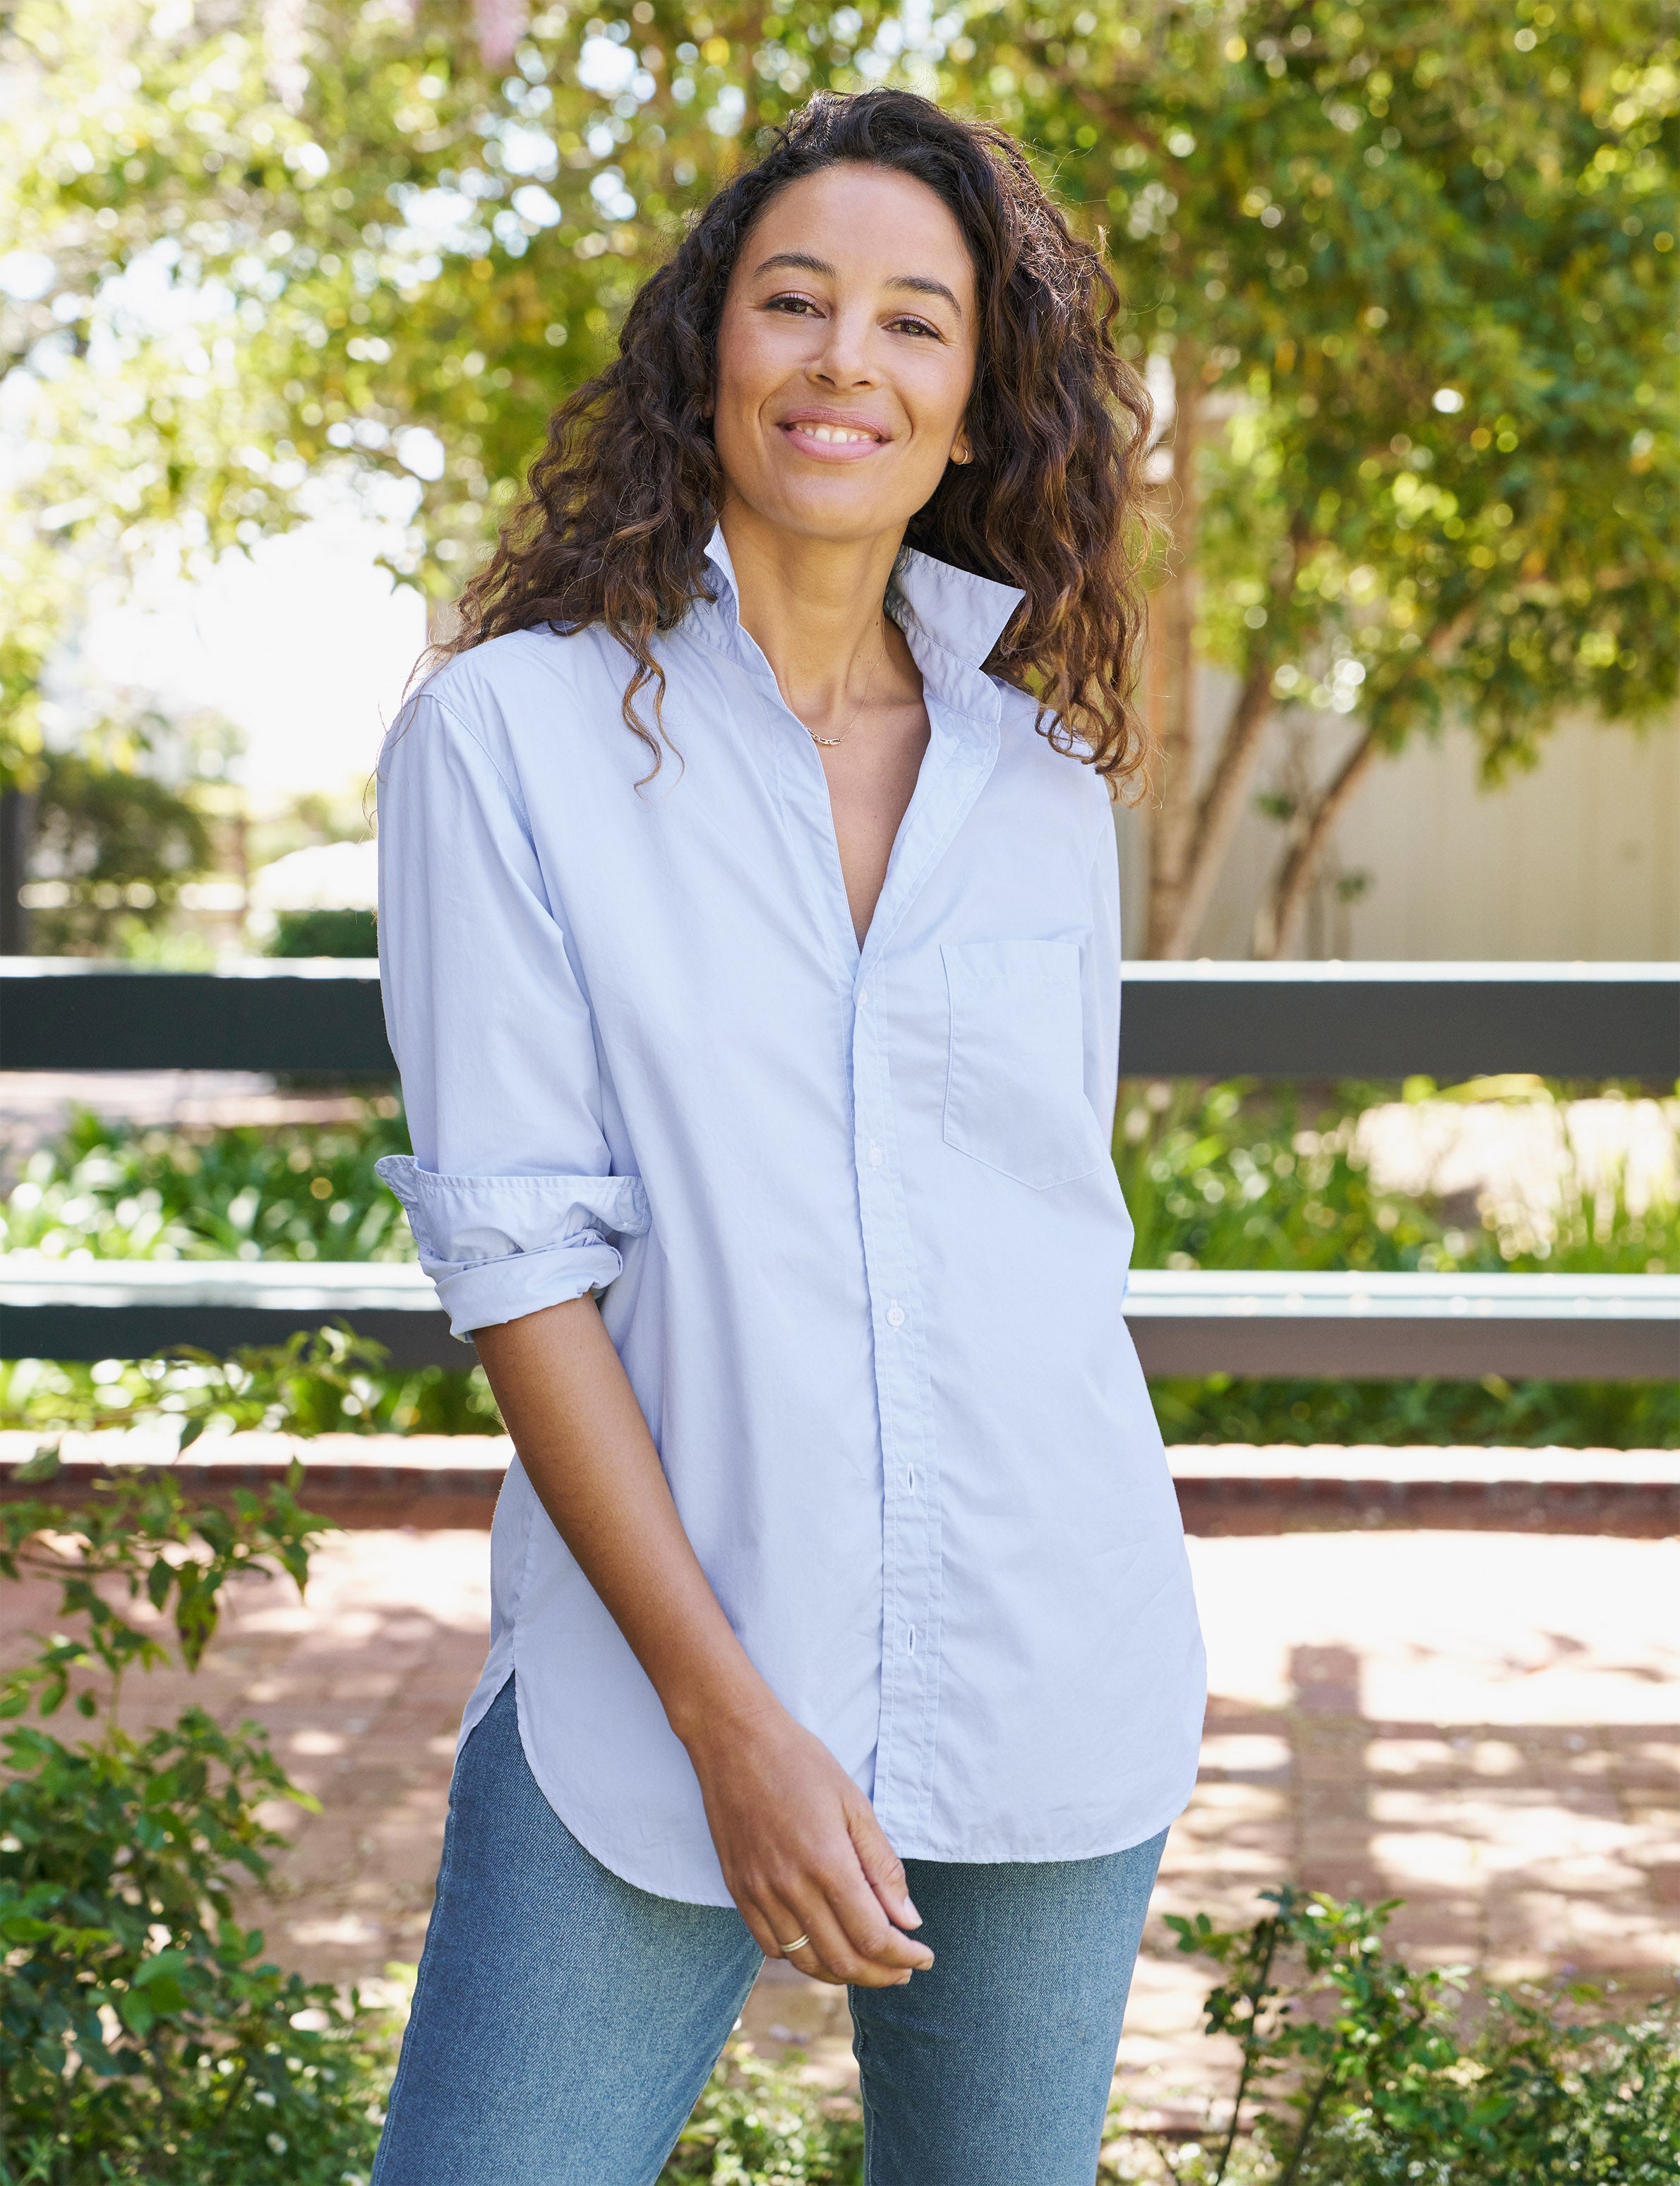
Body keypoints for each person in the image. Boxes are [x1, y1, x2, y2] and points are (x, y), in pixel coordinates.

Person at [370, 86, 1206, 2186]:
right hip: (652, 1708)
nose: (847, 360)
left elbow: (1037, 1235)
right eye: (794, 302)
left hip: (1047, 1658)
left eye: (914, 323)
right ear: (707, 353)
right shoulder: (512, 740)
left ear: (974, 402)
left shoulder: (1038, 783)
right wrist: (729, 1723)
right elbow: (517, 1262)